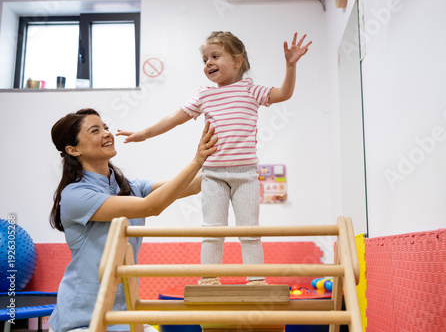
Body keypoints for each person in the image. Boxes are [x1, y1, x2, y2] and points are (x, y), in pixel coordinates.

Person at [117, 31, 311, 286]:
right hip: (213, 175)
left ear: (238, 61)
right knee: (212, 229)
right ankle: (209, 278)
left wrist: (290, 66)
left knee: (249, 230)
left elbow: (284, 93)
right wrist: (145, 133)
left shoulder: (251, 90)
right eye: (205, 59)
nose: (208, 63)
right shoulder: (204, 95)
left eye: (215, 56)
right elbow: (174, 118)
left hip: (246, 175)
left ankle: (256, 280)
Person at [48, 108, 217, 332]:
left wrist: (232, 157)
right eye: (95, 130)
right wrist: (197, 160)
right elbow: (151, 206)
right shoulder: (76, 195)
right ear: (73, 149)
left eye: (106, 127)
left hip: (123, 314)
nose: (107, 133)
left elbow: (193, 185)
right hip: (81, 319)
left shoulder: (129, 186)